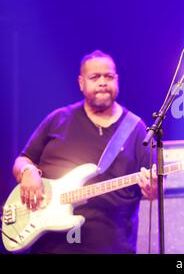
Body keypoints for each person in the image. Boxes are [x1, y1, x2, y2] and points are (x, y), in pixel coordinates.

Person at [11, 50, 156, 254]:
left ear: (117, 80)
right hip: (51, 246)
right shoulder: (58, 119)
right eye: (95, 77)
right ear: (81, 83)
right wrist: (28, 171)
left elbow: (156, 187)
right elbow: (22, 160)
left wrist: (153, 188)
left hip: (112, 246)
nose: (103, 82)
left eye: (108, 76)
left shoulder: (136, 128)